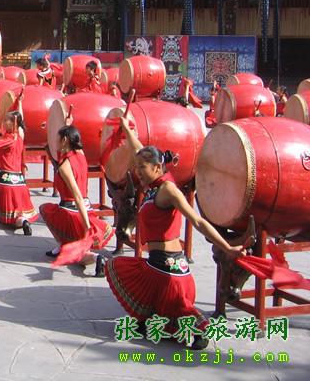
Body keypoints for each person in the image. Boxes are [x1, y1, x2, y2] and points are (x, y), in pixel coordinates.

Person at [106, 118, 245, 349]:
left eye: (142, 168)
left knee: (119, 268)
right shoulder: (156, 182)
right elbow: (139, 149)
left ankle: (198, 330)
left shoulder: (168, 189)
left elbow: (198, 221)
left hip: (169, 273)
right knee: (123, 268)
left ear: (157, 168)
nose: (138, 172)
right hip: (158, 265)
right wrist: (126, 128)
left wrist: (227, 247)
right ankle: (154, 321)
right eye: (137, 167)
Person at [39, 125, 114, 276]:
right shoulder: (81, 155)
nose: (55, 142)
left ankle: (95, 258)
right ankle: (69, 247)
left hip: (71, 213)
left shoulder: (65, 166)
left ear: (65, 140)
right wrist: (66, 123)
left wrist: (87, 226)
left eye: (58, 139)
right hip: (87, 208)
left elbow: (77, 196)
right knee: (77, 248)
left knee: (45, 209)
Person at [0, 107, 38, 235]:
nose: (4, 122)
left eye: (6, 120)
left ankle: (9, 219)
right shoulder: (20, 135)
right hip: (20, 183)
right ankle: (23, 220)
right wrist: (20, 102)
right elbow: (20, 118)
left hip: (6, 183)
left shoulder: (7, 140)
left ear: (14, 123)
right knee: (20, 212)